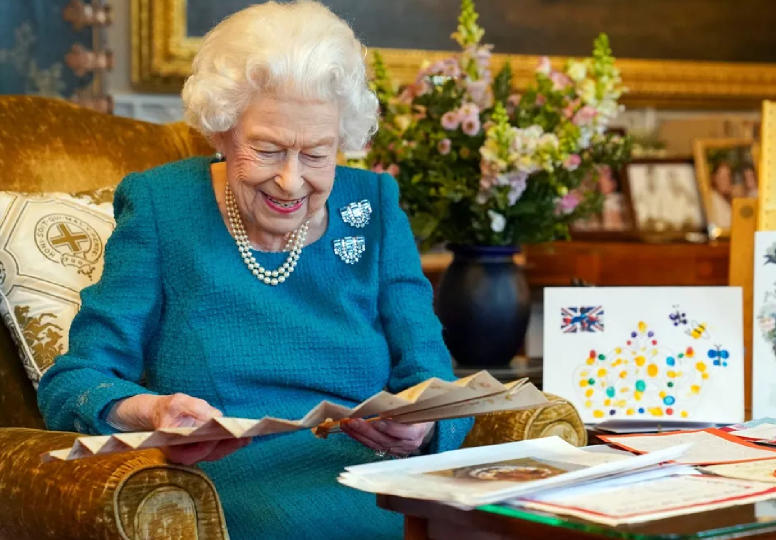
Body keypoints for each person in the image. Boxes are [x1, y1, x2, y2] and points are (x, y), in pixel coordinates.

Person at [36, 2, 472, 537]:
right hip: (239, 490)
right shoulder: (161, 206)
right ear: (221, 131)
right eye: (267, 150)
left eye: (316, 154)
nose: (290, 181)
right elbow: (72, 382)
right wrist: (149, 410)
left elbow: (433, 379)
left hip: (384, 481)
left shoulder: (374, 205)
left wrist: (426, 429)